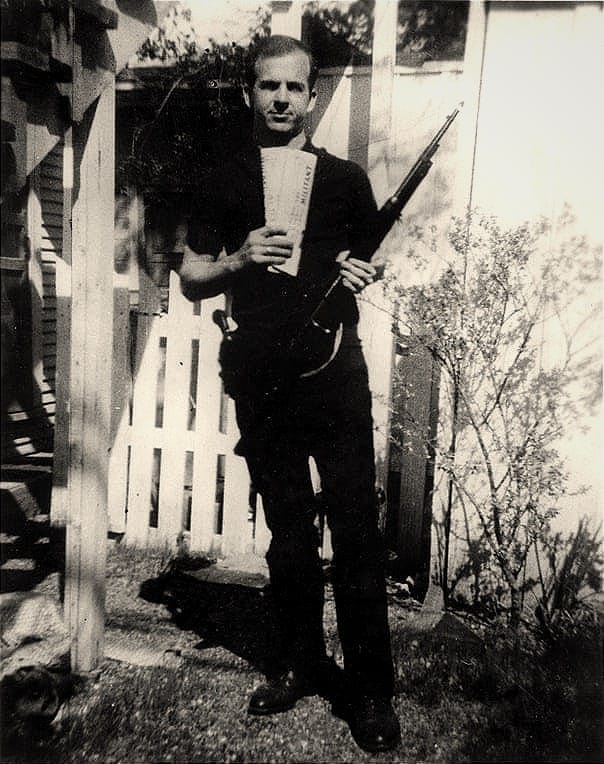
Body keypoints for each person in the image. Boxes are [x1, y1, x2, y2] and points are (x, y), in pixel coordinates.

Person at [179, 35, 400, 754]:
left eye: (293, 87)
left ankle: (370, 691)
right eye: (268, 86)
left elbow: (368, 262)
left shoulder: (345, 179)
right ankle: (301, 663)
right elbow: (190, 274)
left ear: (311, 95)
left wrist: (364, 273)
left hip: (334, 376)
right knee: (290, 532)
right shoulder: (222, 178)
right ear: (250, 92)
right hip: (261, 377)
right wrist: (238, 258)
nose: (280, 99)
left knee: (357, 533)